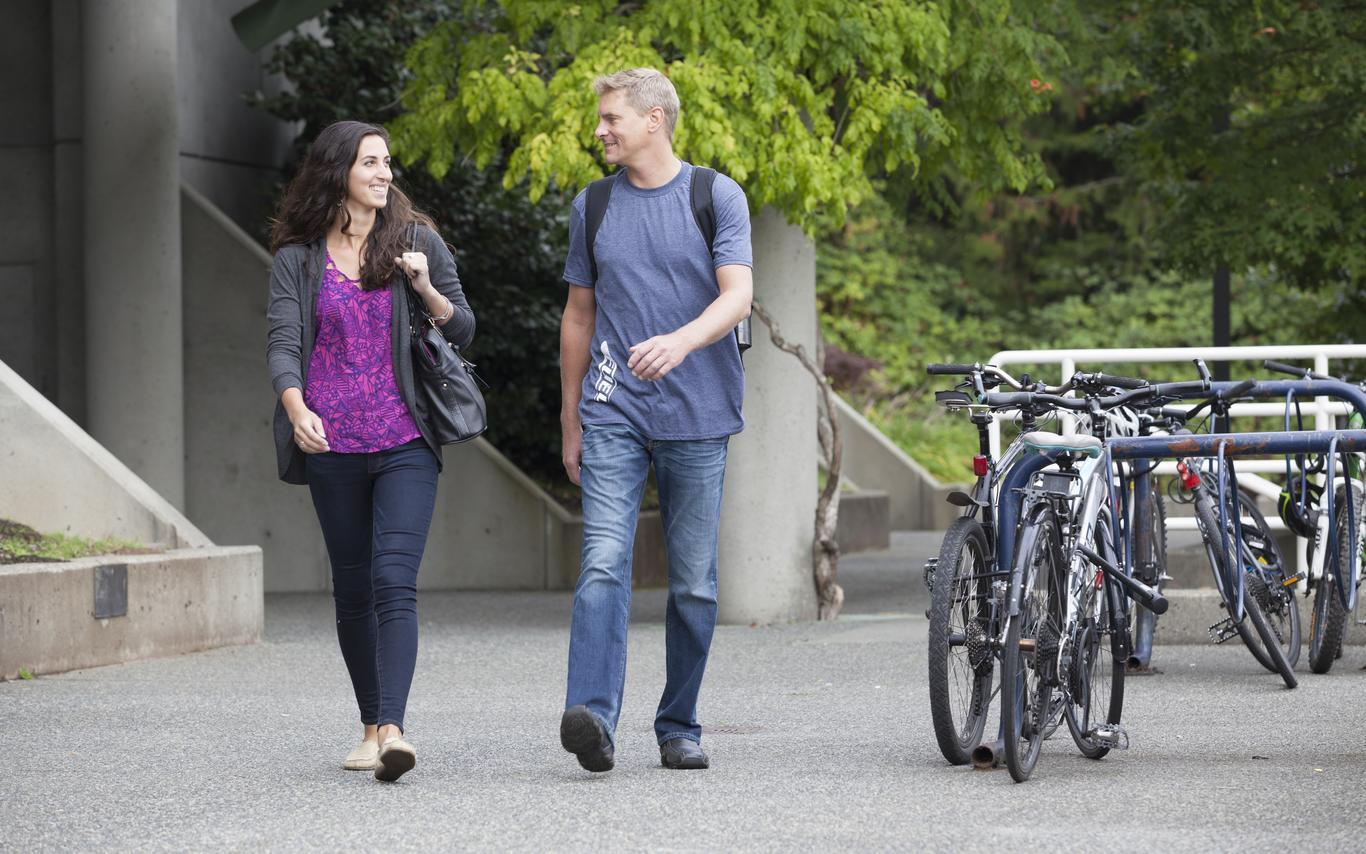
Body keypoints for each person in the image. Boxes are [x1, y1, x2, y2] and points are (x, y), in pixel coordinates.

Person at [266, 120, 474, 783]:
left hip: (406, 440)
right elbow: (282, 343)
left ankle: (393, 729)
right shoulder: (296, 259)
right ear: (338, 173)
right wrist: (297, 410)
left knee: (393, 579)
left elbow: (463, 326)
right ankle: (367, 724)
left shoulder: (419, 244)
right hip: (333, 443)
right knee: (353, 587)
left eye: (387, 163)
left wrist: (425, 288)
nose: (385, 174)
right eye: (370, 163)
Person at [558, 68, 753, 772]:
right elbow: (578, 314)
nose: (601, 129)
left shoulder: (714, 195)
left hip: (699, 413)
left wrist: (681, 340)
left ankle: (678, 723)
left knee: (694, 581)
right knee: (603, 562)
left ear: (654, 120)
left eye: (612, 117)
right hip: (613, 409)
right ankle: (593, 719)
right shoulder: (596, 204)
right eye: (602, 117)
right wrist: (571, 417)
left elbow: (738, 296)